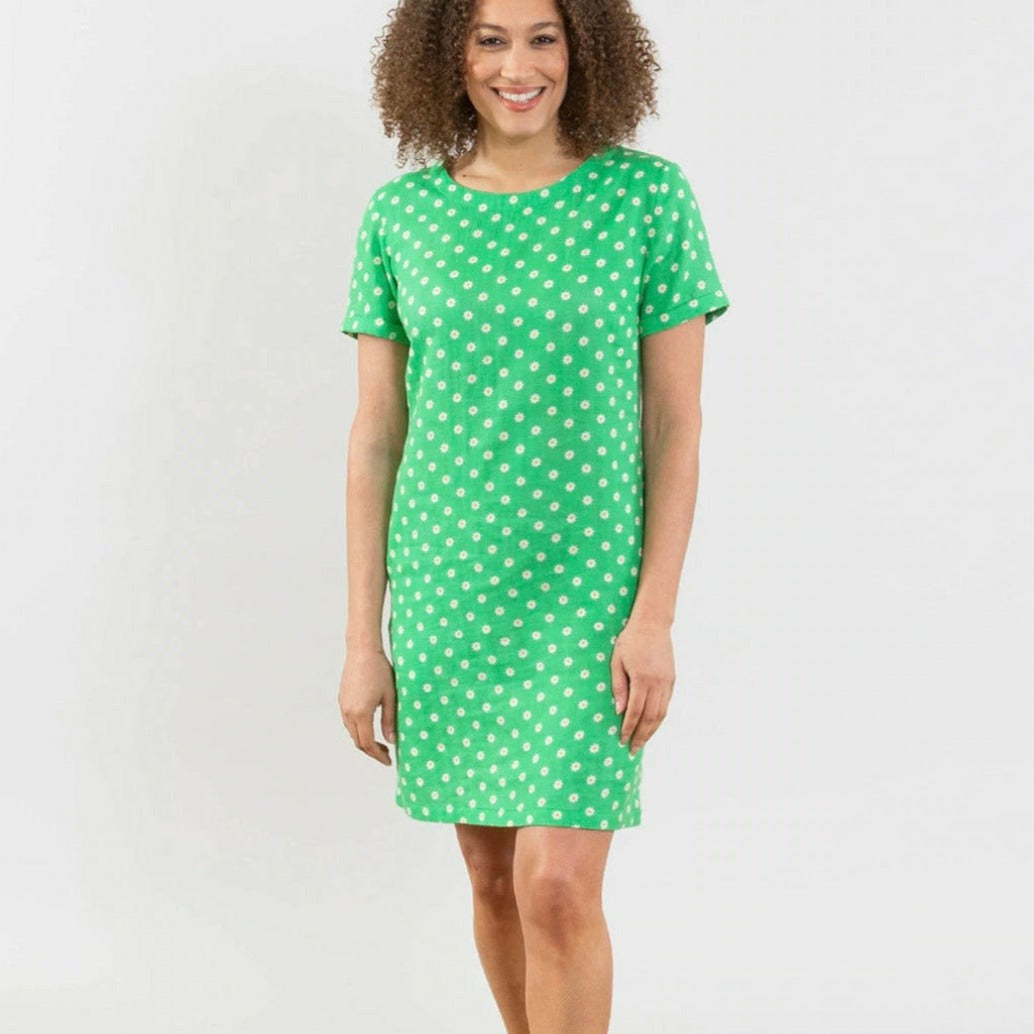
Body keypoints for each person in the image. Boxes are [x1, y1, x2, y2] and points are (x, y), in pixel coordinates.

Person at [337, 0, 730, 1029]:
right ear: (446, 55)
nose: (519, 65)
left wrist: (654, 615)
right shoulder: (400, 216)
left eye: (543, 37)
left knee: (556, 885)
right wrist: (363, 640)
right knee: (493, 878)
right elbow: (376, 434)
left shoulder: (645, 199)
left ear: (584, 47)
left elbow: (675, 425)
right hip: (449, 592)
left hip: (588, 597)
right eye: (490, 39)